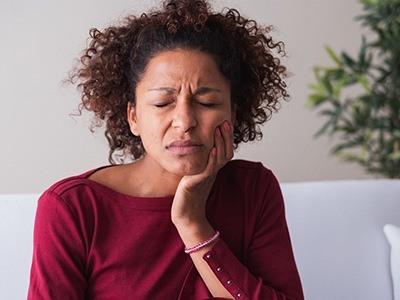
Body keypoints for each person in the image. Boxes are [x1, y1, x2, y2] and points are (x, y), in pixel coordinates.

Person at [28, 0, 304, 299]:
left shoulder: (253, 189)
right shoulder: (73, 209)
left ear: (233, 114)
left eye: (207, 103)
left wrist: (192, 222)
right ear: (133, 116)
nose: (184, 122)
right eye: (163, 103)